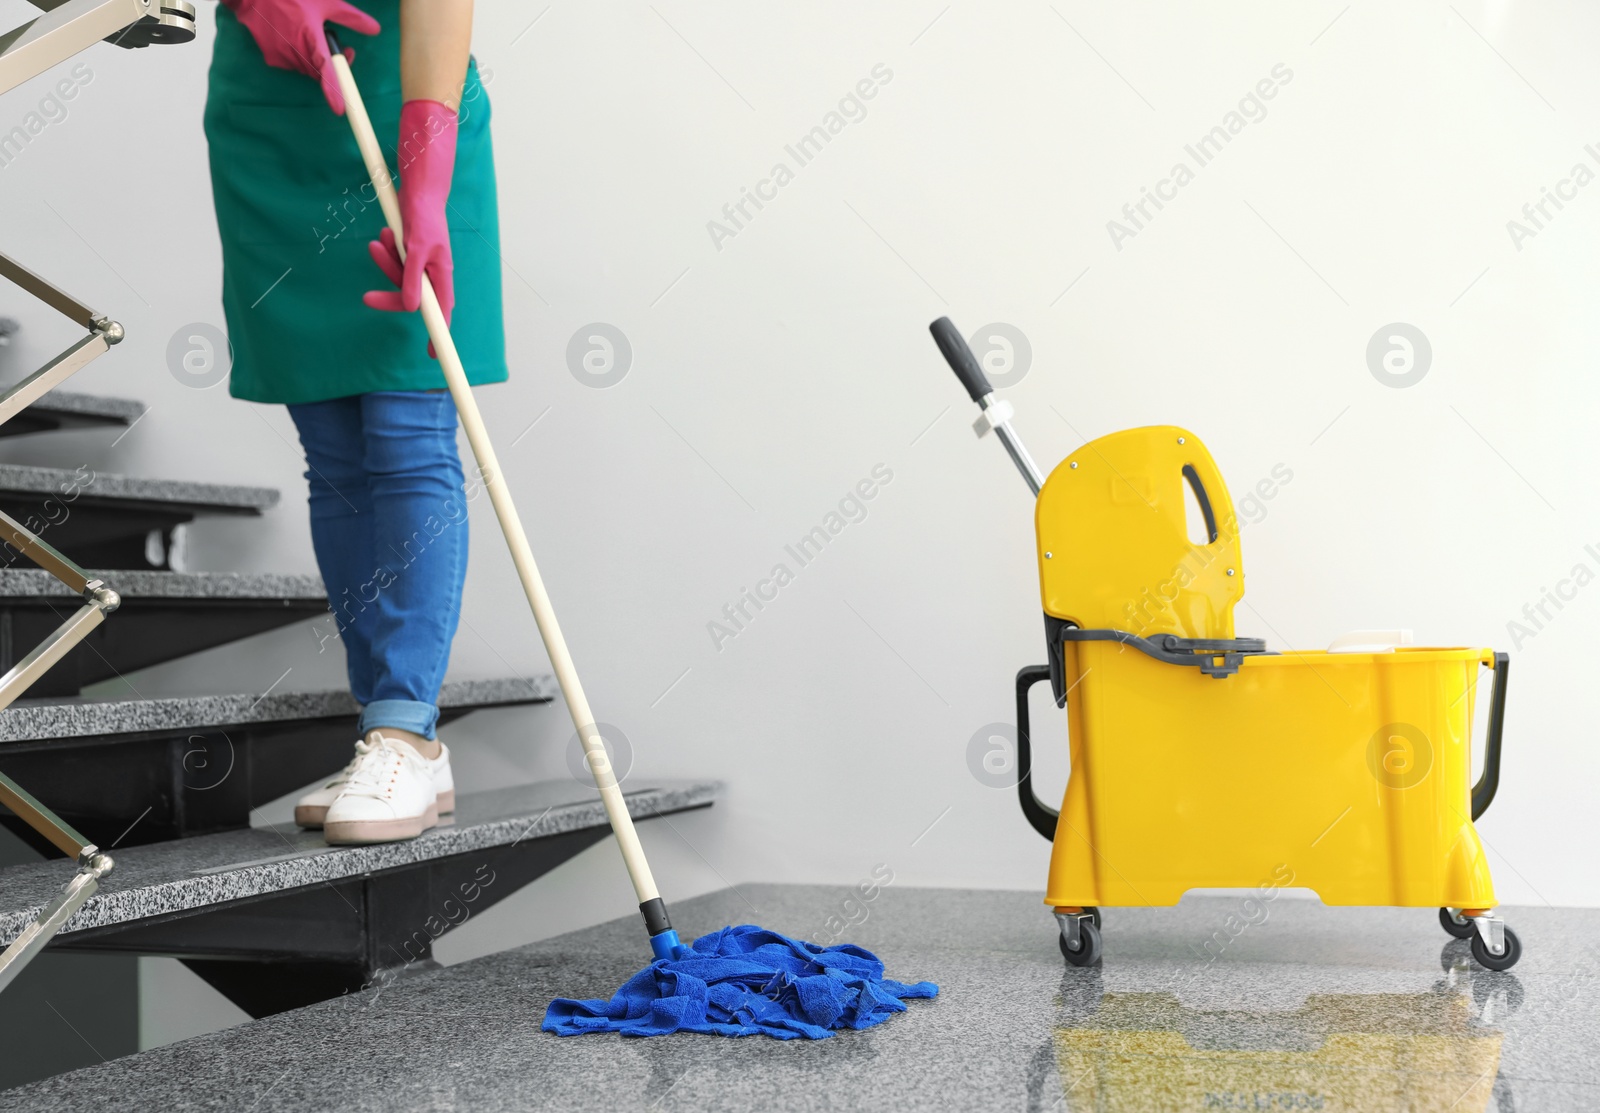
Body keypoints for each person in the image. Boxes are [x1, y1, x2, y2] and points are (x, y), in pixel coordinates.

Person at [204, 0, 506, 843]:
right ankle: (388, 728)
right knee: (332, 453)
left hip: (407, 99)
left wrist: (430, 176)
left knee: (409, 435)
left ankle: (405, 726)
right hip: (271, 126)